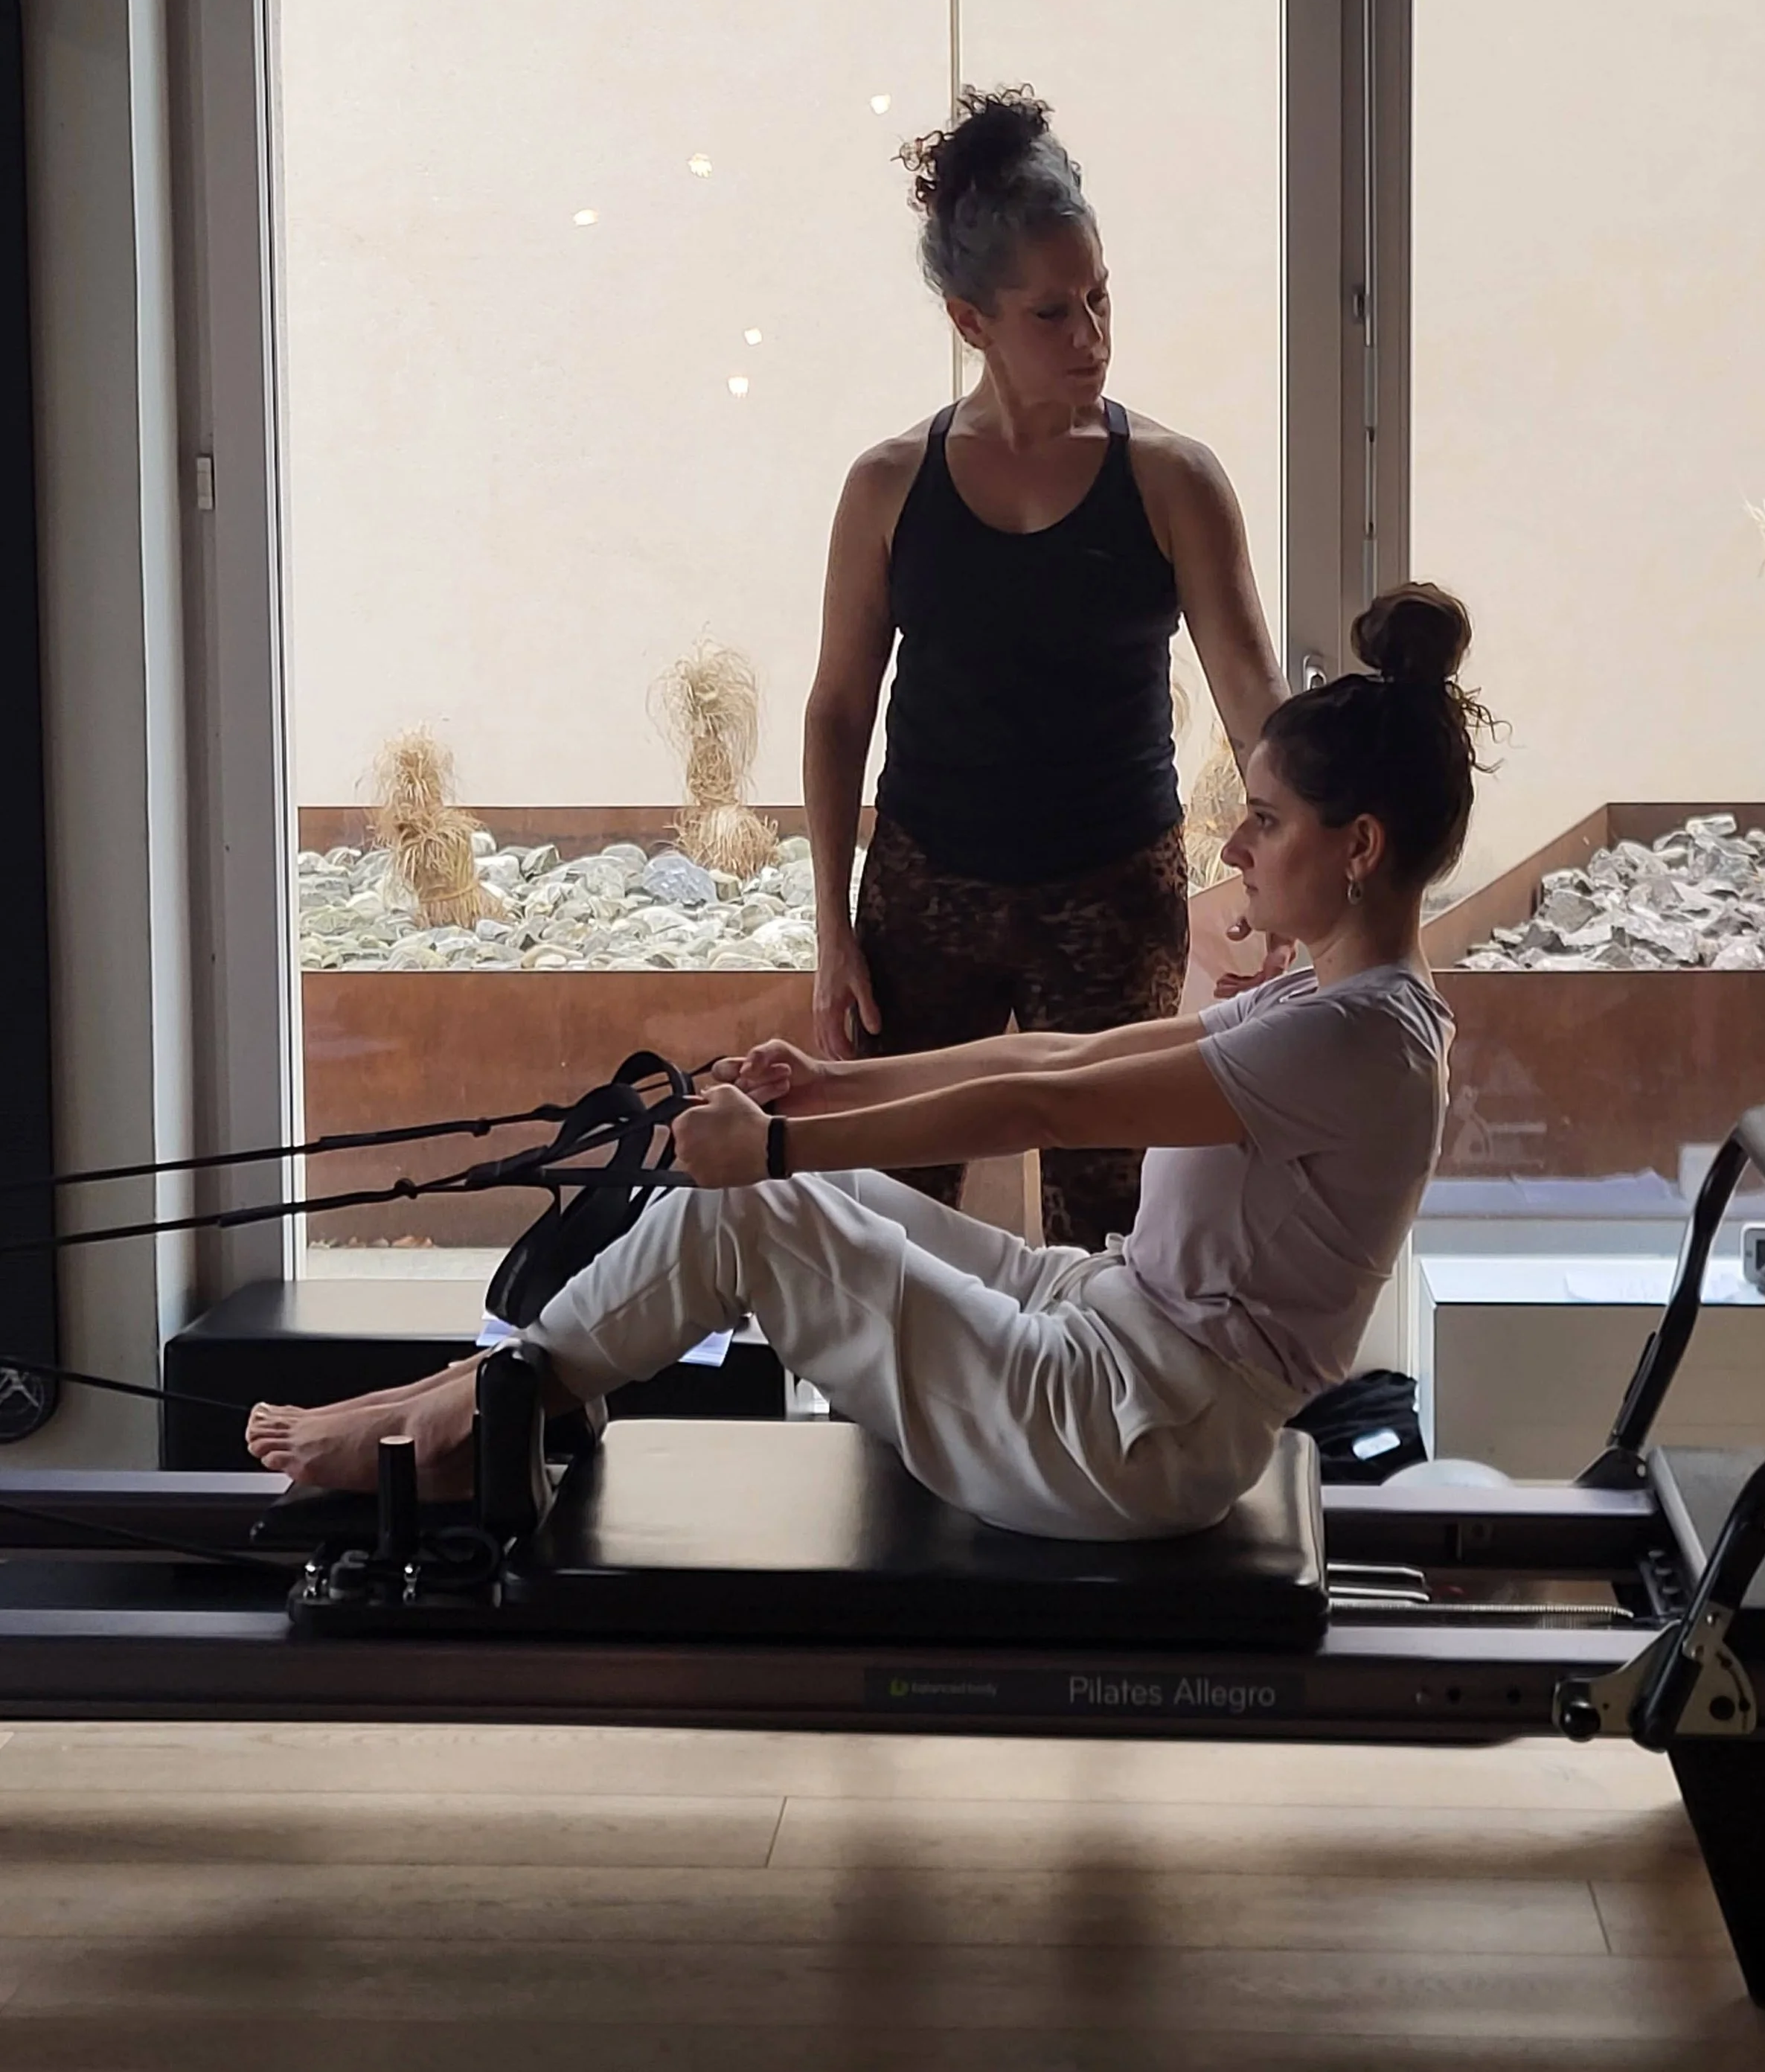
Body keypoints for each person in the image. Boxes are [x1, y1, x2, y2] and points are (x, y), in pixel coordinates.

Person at [249, 586, 1481, 1545]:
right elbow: (1057, 1048)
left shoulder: (1354, 1040)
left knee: (757, 1212)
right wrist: (832, 1087)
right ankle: (477, 1392)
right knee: (802, 1197)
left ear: (1359, 845)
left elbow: (1045, 1104)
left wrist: (779, 1147)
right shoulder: (1344, 1007)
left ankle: (456, 1419)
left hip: (1128, 1433)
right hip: (1114, 1337)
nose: (1235, 842)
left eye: (1265, 819)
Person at [803, 86, 1287, 1248]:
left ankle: (1097, 1434)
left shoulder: (1174, 481)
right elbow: (836, 711)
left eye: (1101, 299)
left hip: (1113, 895)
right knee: (893, 1228)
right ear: (972, 323)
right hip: (927, 895)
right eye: (1052, 314)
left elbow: (1256, 707)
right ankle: (900, 1437)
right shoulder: (888, 485)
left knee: (1116, 1227)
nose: (1091, 337)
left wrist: (1287, 889)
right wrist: (831, 927)